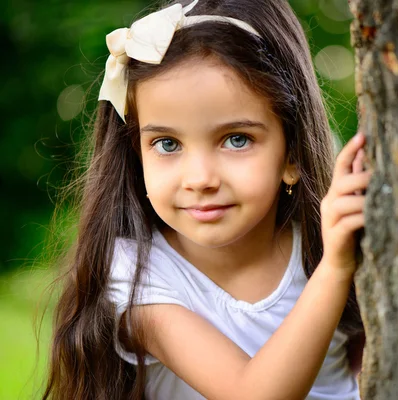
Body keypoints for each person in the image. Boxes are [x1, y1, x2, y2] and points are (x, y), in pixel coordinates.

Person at [42, 0, 371, 399]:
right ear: (136, 154)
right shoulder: (138, 274)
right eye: (167, 143)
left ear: (292, 154)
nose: (200, 179)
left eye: (236, 139)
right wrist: (336, 269)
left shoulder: (323, 244)